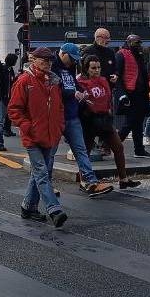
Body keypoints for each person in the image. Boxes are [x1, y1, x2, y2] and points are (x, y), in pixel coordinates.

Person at [8, 48, 67, 227]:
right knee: (42, 172)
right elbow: (14, 109)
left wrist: (59, 126)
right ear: (34, 60)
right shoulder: (25, 81)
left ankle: (28, 207)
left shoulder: (53, 82)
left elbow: (59, 108)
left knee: (40, 172)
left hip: (49, 134)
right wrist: (27, 126)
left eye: (50, 60)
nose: (48, 63)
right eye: (44, 60)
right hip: (33, 136)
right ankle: (54, 209)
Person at [54, 43, 114, 196]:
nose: (73, 62)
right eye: (71, 59)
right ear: (63, 54)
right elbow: (55, 89)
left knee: (80, 150)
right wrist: (72, 93)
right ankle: (46, 184)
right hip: (57, 115)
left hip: (72, 115)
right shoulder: (53, 66)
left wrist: (82, 92)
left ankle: (91, 181)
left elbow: (74, 84)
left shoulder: (69, 67)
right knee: (49, 153)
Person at [78, 56, 141, 190]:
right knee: (86, 152)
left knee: (118, 147)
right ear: (86, 68)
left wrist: (109, 112)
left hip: (104, 119)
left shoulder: (103, 80)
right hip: (89, 120)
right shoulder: (81, 81)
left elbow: (108, 98)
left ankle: (123, 178)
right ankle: (84, 180)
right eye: (93, 68)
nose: (97, 70)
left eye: (98, 67)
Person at [114, 34, 150, 159]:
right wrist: (122, 95)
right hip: (130, 94)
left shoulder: (140, 56)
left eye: (139, 43)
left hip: (141, 94)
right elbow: (118, 76)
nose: (138, 45)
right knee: (130, 122)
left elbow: (143, 74)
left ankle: (139, 150)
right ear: (129, 42)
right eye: (136, 43)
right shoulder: (121, 55)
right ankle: (112, 145)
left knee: (138, 123)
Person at [1, 53, 18, 137]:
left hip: (10, 93)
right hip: (4, 94)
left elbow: (12, 81)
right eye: (15, 60)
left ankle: (7, 129)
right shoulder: (4, 69)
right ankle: (5, 129)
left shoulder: (10, 69)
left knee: (9, 112)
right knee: (7, 112)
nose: (16, 62)